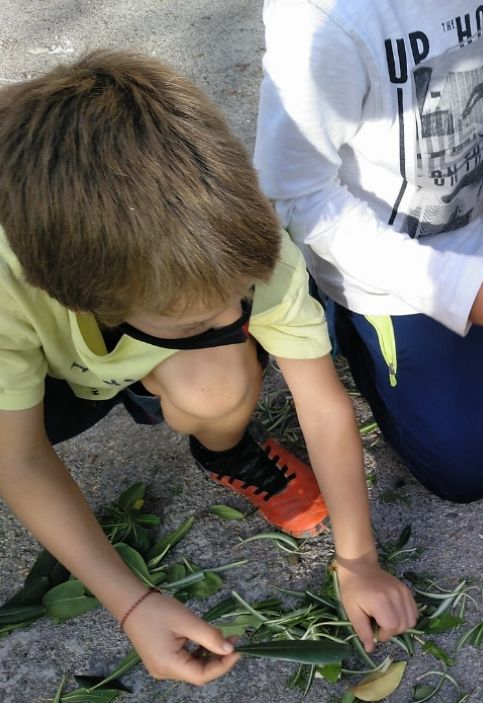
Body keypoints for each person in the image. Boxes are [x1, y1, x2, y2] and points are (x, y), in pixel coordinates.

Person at [0, 51, 417, 684]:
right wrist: (131, 603)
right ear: (83, 299)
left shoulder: (237, 235)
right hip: (48, 367)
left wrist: (357, 557)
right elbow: (20, 459)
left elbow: (321, 400)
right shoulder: (12, 284)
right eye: (199, 322)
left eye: (241, 302)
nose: (235, 322)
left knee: (218, 378)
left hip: (121, 336)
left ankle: (218, 446)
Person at [253, 0, 483, 504]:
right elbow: (296, 191)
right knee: (470, 472)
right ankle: (353, 331)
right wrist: (450, 287)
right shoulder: (323, 17)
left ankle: (461, 338)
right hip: (390, 264)